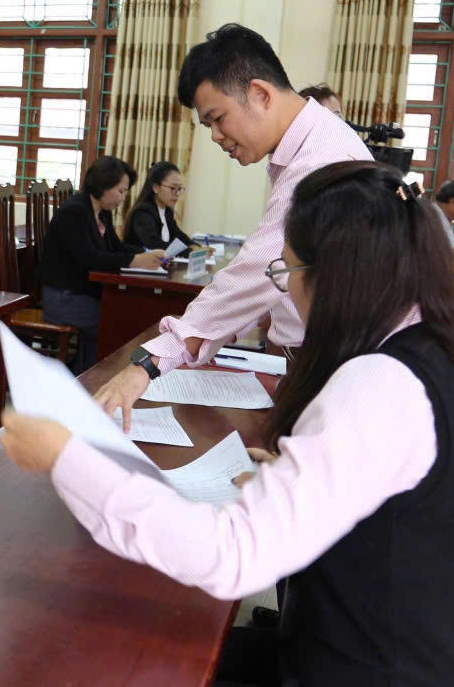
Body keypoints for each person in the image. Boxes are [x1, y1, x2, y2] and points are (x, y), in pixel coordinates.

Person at [1, 161, 454, 686]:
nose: (288, 295)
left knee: (110, 657)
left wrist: (68, 458)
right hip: (420, 654)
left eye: (289, 274)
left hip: (376, 668)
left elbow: (231, 555)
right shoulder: (448, 352)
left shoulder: (380, 382)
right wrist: (298, 472)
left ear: (337, 278)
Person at [93, 23, 372, 427]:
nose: (216, 136)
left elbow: (258, 272)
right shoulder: (311, 144)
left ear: (260, 93)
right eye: (208, 126)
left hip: (328, 371)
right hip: (314, 363)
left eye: (218, 118)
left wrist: (146, 365)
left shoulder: (319, 162)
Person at [40, 157, 165, 374]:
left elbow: (116, 247)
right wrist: (133, 261)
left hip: (86, 293)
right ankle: (88, 379)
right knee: (114, 321)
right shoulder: (74, 212)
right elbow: (90, 258)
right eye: (121, 191)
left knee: (126, 312)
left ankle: (89, 374)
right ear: (103, 186)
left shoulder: (101, 212)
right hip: (64, 297)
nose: (123, 198)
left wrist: (146, 254)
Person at [125, 160, 193, 254]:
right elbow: (155, 244)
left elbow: (179, 236)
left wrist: (195, 246)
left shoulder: (167, 211)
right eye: (173, 188)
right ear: (156, 187)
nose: (177, 193)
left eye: (180, 188)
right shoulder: (142, 213)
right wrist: (190, 251)